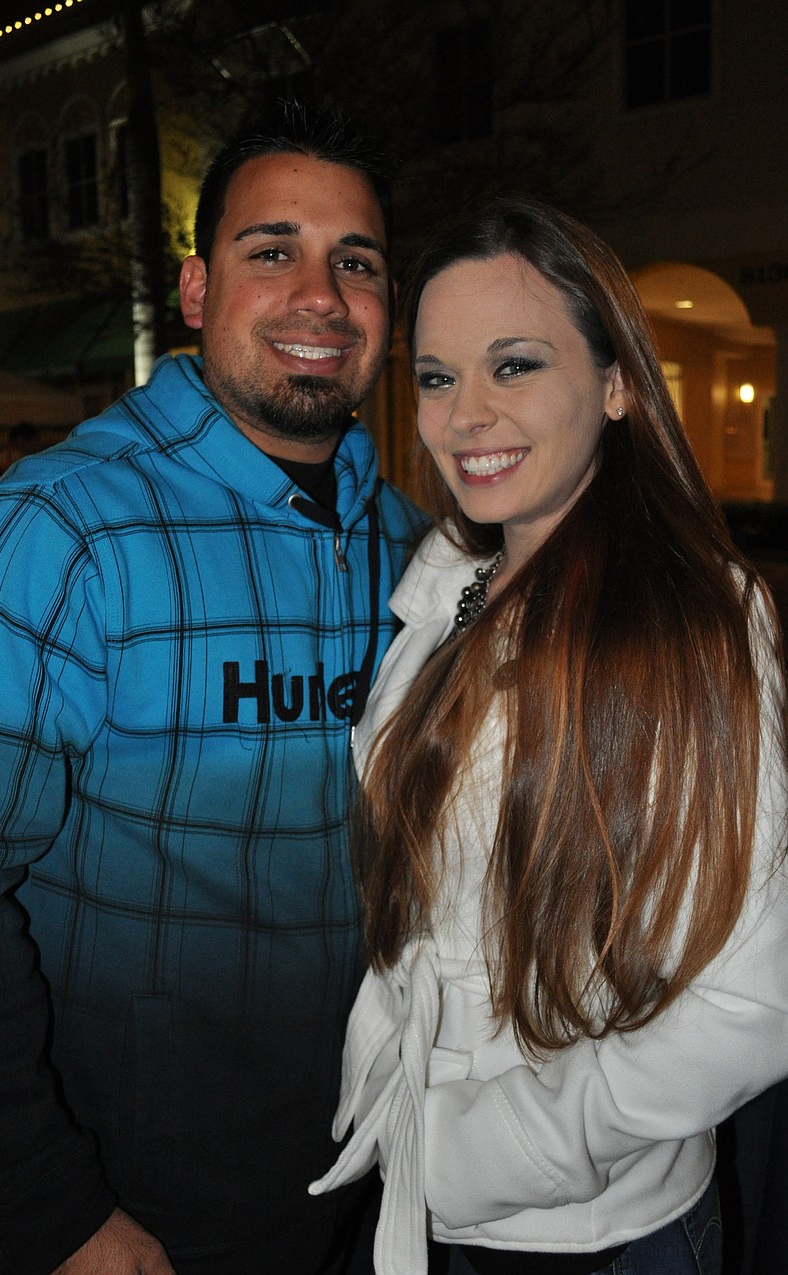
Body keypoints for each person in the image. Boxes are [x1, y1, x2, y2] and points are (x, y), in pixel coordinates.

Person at [0, 101, 423, 1275]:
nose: (320, 295)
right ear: (199, 292)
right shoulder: (47, 533)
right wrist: (46, 1204)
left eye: (355, 263)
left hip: (373, 1180)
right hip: (130, 1206)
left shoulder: (410, 542)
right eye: (275, 251)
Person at [310, 196, 788, 1274]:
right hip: (422, 1197)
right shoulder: (443, 595)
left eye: (512, 365)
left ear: (617, 382)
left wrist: (500, 1147)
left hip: (594, 1234)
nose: (464, 415)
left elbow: (756, 998)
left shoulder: (692, 619)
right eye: (436, 377)